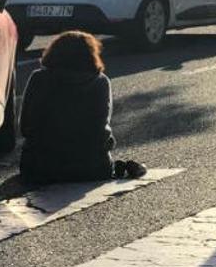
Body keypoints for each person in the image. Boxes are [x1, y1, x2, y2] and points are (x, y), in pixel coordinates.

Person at [20, 31, 146, 184]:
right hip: (90, 168)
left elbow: (25, 126)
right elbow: (100, 127)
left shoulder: (38, 78)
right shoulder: (100, 82)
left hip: (39, 167)